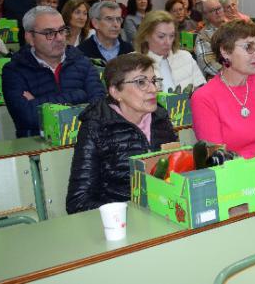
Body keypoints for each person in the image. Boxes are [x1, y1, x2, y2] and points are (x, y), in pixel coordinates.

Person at [66, 53, 176, 213]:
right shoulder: (96, 126)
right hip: (121, 221)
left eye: (153, 81)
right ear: (116, 92)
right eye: (141, 82)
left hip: (164, 211)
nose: (153, 89)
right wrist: (128, 212)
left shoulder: (160, 118)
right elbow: (78, 201)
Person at [2, 6, 105, 138]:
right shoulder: (14, 70)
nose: (60, 38)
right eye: (49, 33)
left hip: (85, 140)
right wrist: (80, 95)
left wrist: (39, 103)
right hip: (38, 147)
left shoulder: (82, 62)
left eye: (62, 30)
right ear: (30, 38)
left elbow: (100, 107)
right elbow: (28, 118)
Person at [192, 20, 255, 157]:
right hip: (235, 173)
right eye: (249, 47)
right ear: (225, 51)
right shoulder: (204, 98)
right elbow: (217, 158)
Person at [135, 10, 205, 93]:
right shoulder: (133, 63)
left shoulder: (186, 56)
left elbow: (203, 92)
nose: (168, 42)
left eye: (171, 36)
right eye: (161, 36)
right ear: (145, 36)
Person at [195, 0, 227, 79]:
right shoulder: (203, 36)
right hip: (218, 79)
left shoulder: (232, 28)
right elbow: (208, 64)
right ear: (206, 15)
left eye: (219, 8)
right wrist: (231, 74)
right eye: (213, 10)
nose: (218, 12)